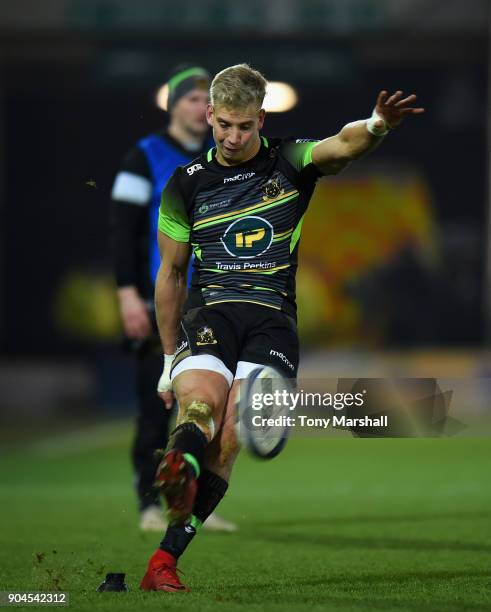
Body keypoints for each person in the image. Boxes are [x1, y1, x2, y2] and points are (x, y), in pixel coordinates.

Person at [139, 63, 424, 591]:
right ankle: (180, 465)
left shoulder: (289, 162)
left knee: (229, 439)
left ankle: (164, 559)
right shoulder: (186, 185)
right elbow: (172, 274)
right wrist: (165, 359)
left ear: (261, 120)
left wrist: (377, 125)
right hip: (212, 314)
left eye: (244, 126)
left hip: (272, 323)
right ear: (209, 115)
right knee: (200, 404)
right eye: (224, 124)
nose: (232, 136)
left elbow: (341, 146)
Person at [110, 64, 237, 533]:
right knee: (153, 406)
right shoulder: (142, 158)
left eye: (206, 100)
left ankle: (195, 503)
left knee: (206, 408)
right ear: (174, 105)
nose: (200, 108)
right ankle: (148, 503)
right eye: (191, 98)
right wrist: (127, 294)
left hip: (211, 302)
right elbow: (122, 232)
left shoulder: (221, 156)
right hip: (156, 300)